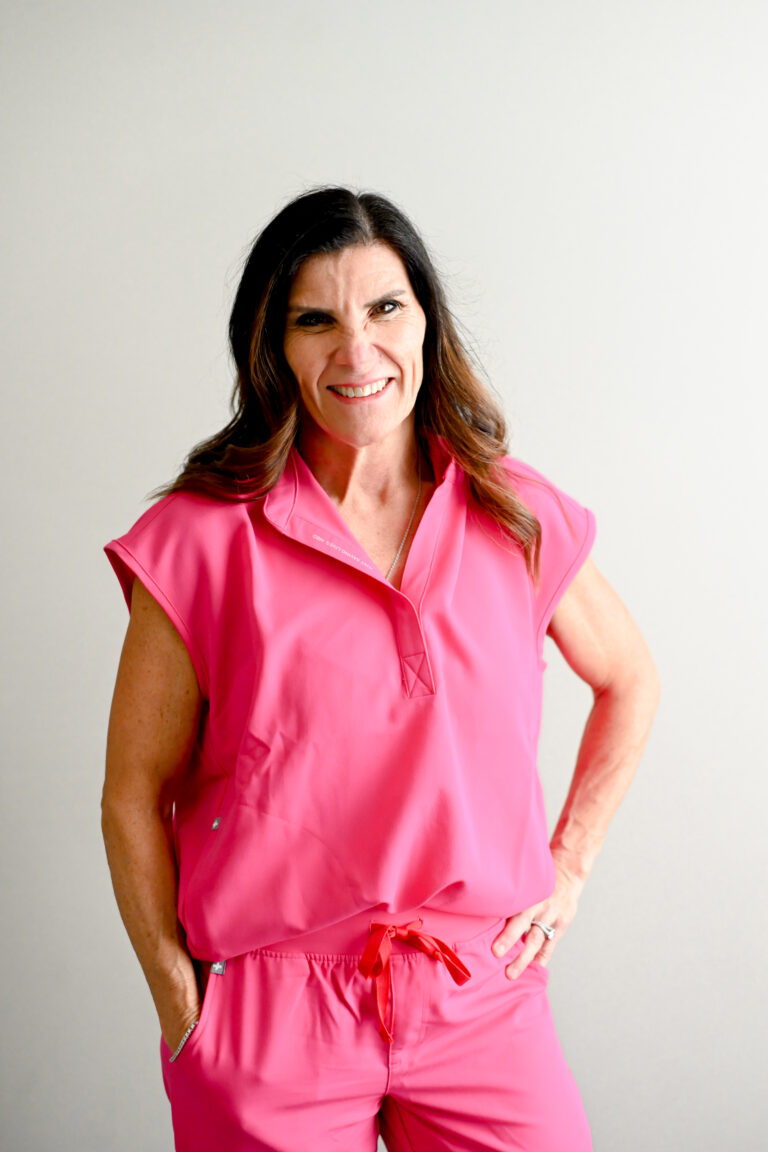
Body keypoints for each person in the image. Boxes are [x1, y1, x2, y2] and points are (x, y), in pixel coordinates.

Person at [101, 186, 660, 1152]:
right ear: (270, 347)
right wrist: (178, 1001)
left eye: (384, 308)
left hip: (476, 993)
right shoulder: (199, 539)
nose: (356, 351)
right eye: (314, 319)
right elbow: (130, 795)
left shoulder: (515, 514)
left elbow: (630, 679)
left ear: (427, 323)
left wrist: (569, 864)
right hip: (271, 1014)